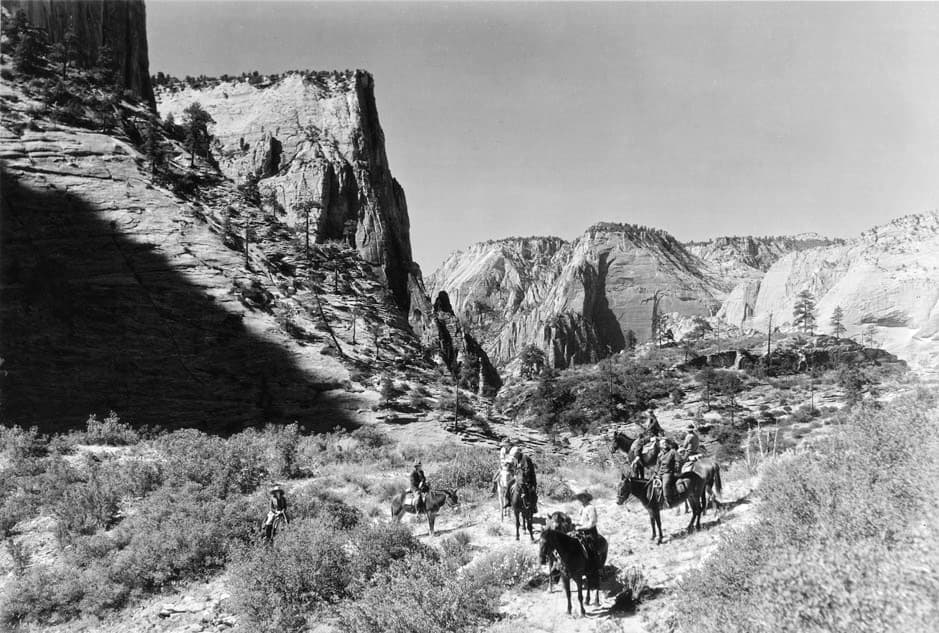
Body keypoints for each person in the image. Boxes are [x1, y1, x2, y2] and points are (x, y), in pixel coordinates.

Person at [573, 491, 599, 571]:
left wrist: (581, 528)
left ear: (587, 498)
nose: (581, 499)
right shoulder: (582, 508)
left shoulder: (591, 508)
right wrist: (576, 524)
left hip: (590, 532)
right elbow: (582, 521)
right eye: (580, 497)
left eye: (583, 497)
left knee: (590, 550)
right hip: (581, 531)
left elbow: (592, 523)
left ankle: (593, 569)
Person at [514, 447, 538, 514]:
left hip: (529, 479)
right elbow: (515, 468)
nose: (514, 456)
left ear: (518, 453)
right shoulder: (516, 459)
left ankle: (533, 506)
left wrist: (522, 477)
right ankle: (510, 503)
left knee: (532, 491)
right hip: (519, 478)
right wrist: (515, 474)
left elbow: (527, 471)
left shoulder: (525, 458)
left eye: (515, 454)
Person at [656, 439, 679, 507]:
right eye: (663, 443)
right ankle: (658, 502)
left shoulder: (672, 452)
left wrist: (676, 470)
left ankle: (670, 503)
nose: (665, 444)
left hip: (668, 473)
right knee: (654, 485)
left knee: (665, 487)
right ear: (660, 446)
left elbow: (679, 460)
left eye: (665, 443)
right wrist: (656, 473)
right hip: (660, 473)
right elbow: (658, 465)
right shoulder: (660, 454)